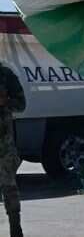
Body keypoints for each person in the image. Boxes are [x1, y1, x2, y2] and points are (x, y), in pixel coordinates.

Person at [1, 61, 27, 237]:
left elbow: (22, 105)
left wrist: (4, 101)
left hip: (3, 146)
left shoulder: (5, 75)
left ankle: (15, 230)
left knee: (9, 188)